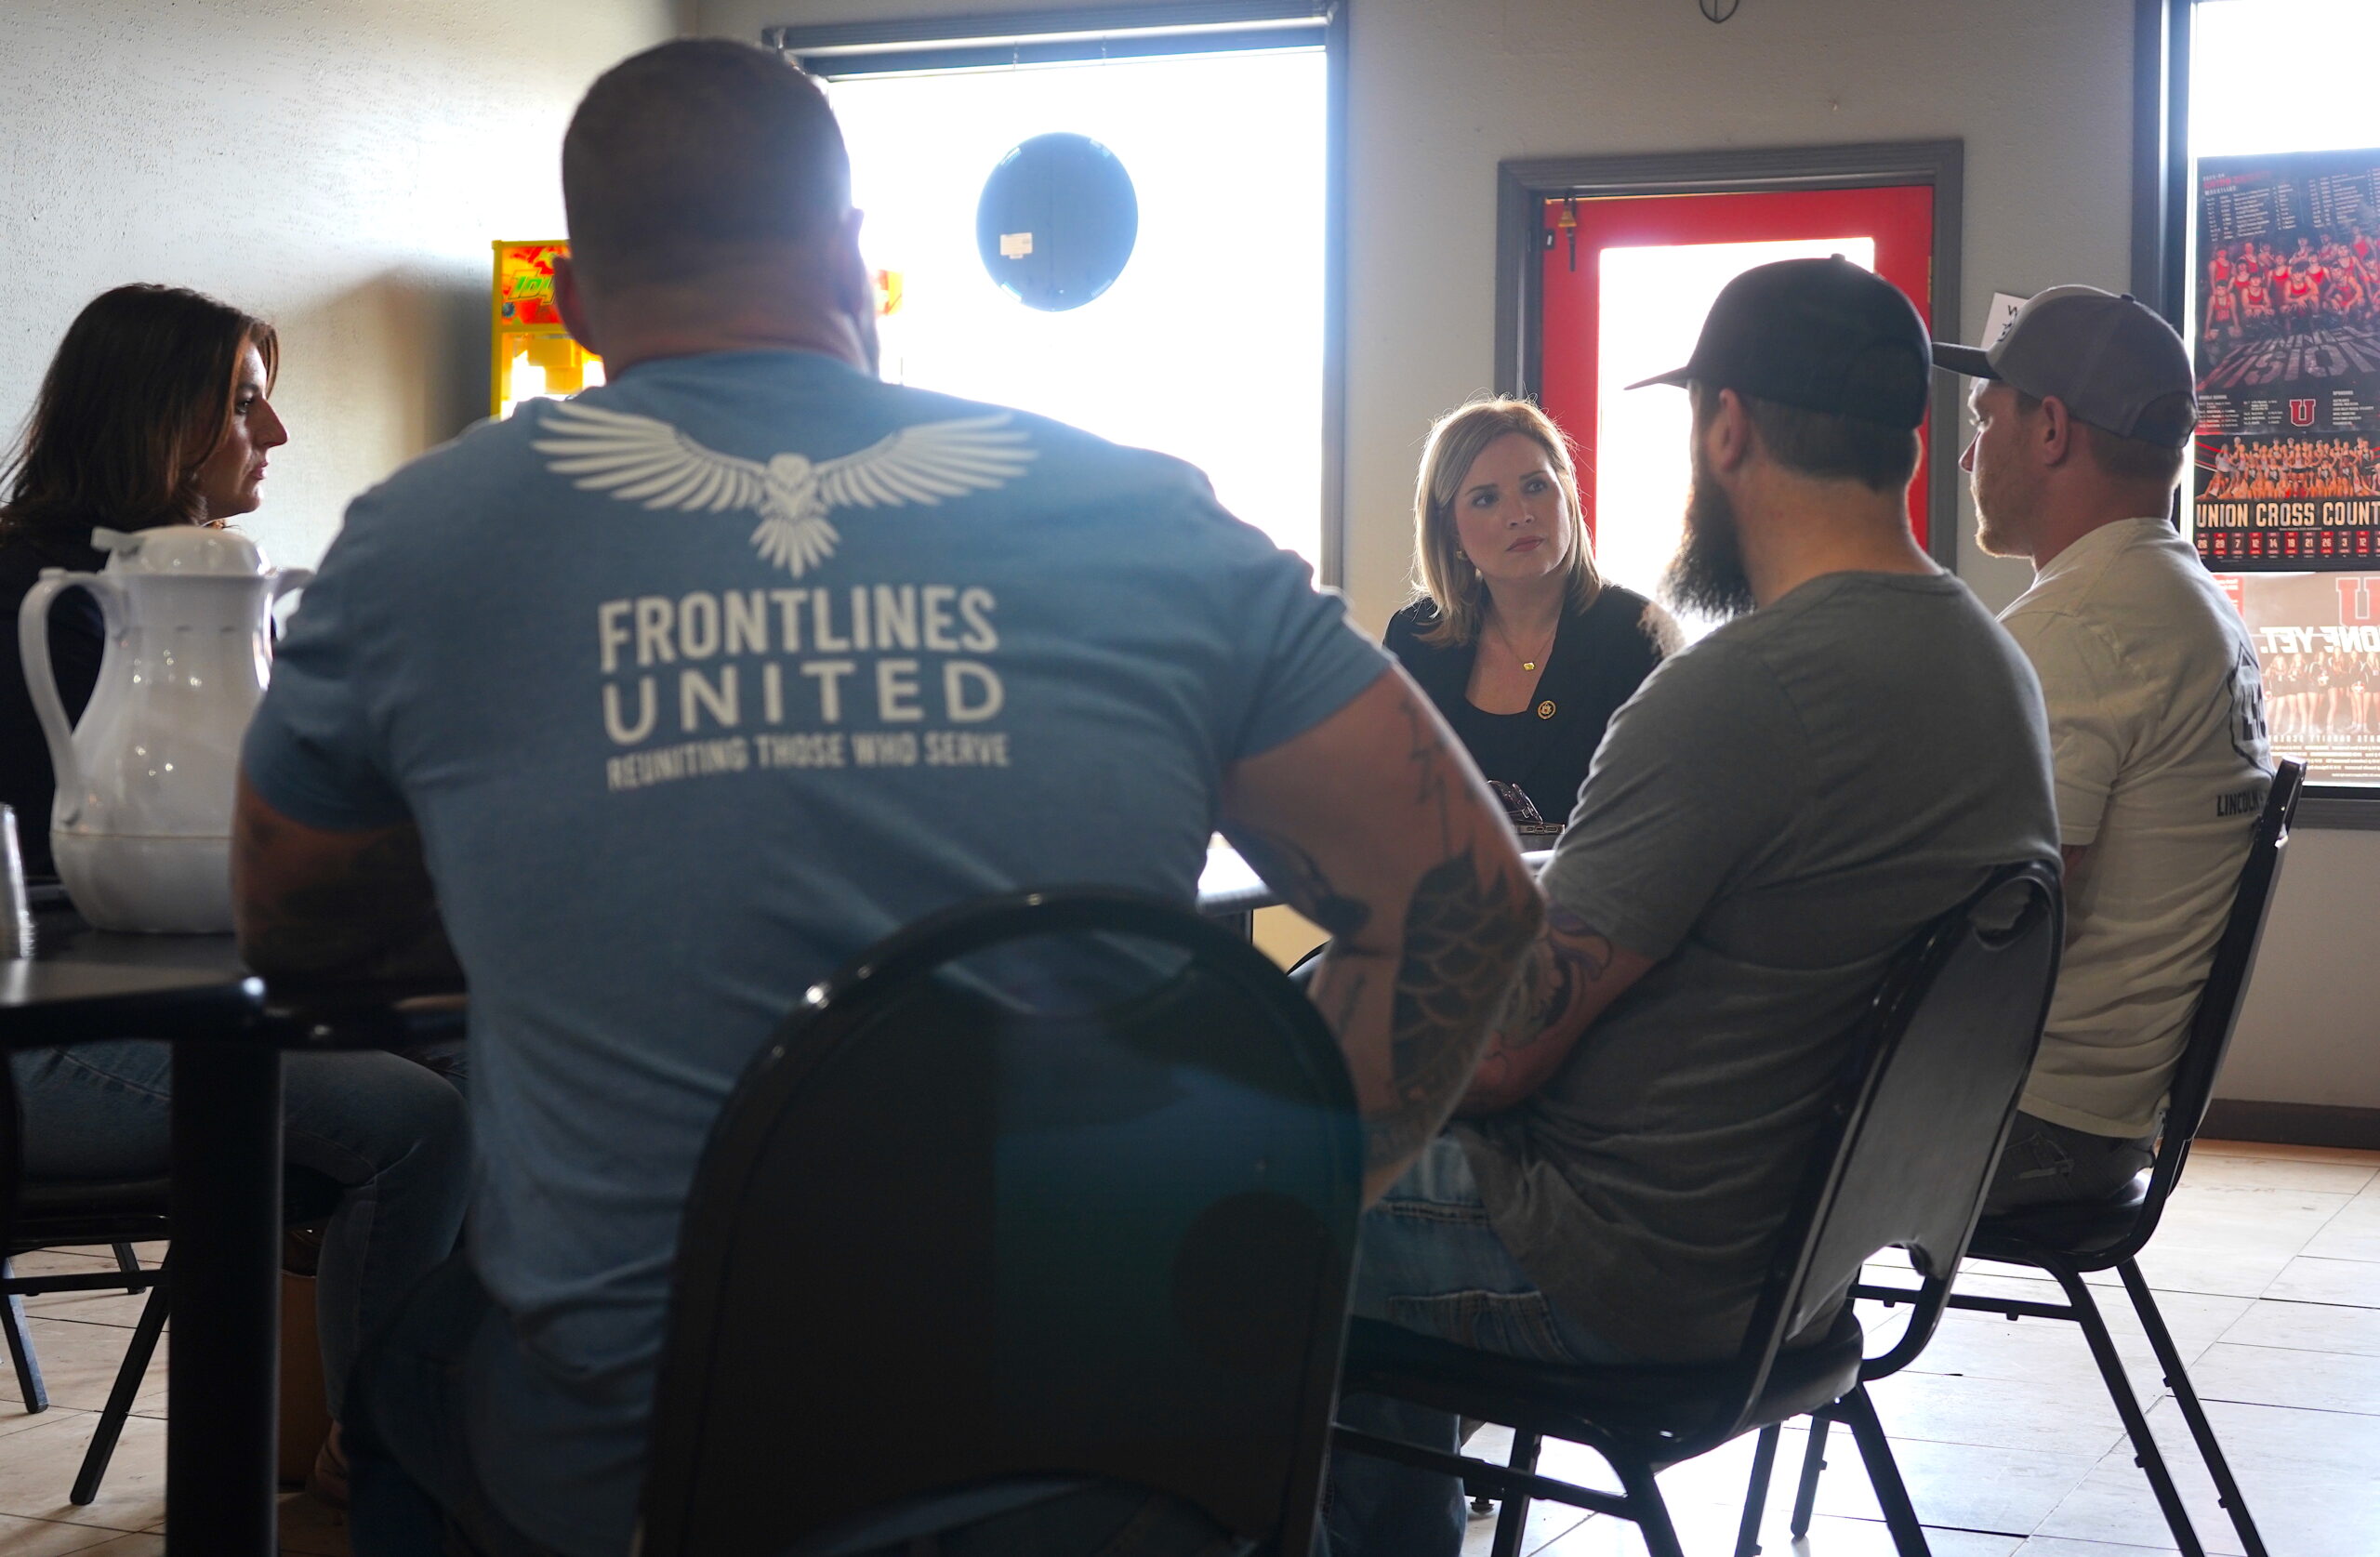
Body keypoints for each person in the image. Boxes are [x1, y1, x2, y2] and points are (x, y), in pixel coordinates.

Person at [231, 39, 1538, 1557]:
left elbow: (293, 923)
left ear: (576, 301)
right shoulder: (1144, 515)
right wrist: (1252, 1233)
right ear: (855, 254)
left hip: (668, 1488)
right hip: (1119, 1455)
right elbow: (1471, 898)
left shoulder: (420, 542)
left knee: (406, 1369)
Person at [1326, 258, 2058, 1557]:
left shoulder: (1733, 693)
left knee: (1219, 1167)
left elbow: (1496, 1053)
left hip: (1624, 1265)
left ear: (1725, 429)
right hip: (1804, 1262)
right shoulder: (1994, 670)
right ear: (1907, 433)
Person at [0, 284, 470, 1496]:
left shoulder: (190, 591)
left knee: (491, 1062)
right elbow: (116, 880)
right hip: (52, 1038)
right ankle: (383, 1462)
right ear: (157, 418)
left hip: (178, 997)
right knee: (423, 1124)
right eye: (244, 404)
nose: (276, 433)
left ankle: (464, 1424)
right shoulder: (42, 601)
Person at [1941, 284, 2272, 1212]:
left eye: (1985, 420)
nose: (1968, 455)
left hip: (2024, 1127)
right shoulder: (2187, 602)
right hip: (2101, 1122)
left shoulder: (2082, 627)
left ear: (2050, 429)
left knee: (1674, 1095)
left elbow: (1986, 916)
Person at [1382, 399, 1676, 825]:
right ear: (1449, 528)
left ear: (1567, 494)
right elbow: (1385, 807)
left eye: (1535, 487)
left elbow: (1676, 816)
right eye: (1486, 499)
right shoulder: (1414, 638)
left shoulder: (1637, 634)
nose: (1519, 515)